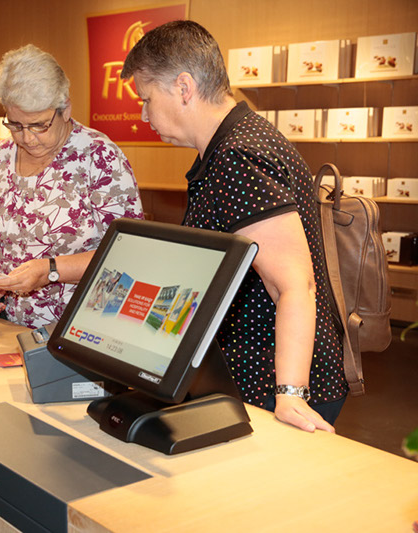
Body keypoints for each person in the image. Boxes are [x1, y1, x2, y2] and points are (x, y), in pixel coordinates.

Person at [120, 21, 347, 433]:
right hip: (257, 372)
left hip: (274, 382)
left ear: (184, 87)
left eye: (146, 99)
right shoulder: (234, 142)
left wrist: (291, 394)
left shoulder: (238, 157)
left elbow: (295, 284)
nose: (143, 114)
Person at [0, 44, 144, 329]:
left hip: (80, 327)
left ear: (65, 109)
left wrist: (50, 270)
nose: (27, 138)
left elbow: (129, 251)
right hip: (9, 325)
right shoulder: (1, 155)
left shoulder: (99, 156)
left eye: (39, 125)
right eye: (15, 125)